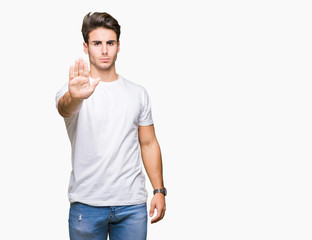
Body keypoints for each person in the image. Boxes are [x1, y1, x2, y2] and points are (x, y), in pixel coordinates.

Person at [55, 12, 166, 240]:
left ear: (118, 46)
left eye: (110, 43)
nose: (104, 50)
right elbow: (65, 107)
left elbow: (148, 143)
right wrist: (76, 96)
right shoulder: (73, 91)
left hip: (131, 206)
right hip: (87, 205)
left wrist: (159, 190)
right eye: (97, 43)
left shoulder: (138, 93)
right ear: (86, 47)